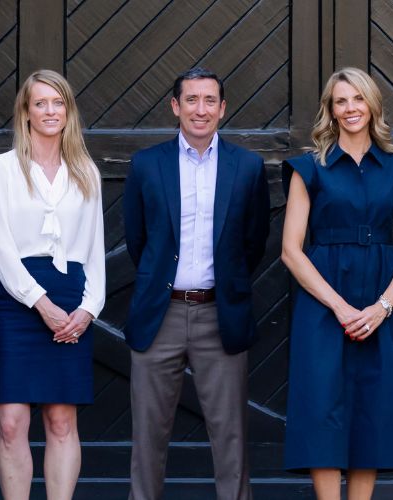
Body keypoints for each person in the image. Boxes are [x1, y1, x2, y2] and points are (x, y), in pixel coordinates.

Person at [119, 67, 271, 500]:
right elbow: (138, 239)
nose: (200, 109)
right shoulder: (148, 165)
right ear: (175, 106)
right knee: (148, 434)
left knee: (231, 438)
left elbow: (253, 240)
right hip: (159, 313)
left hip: (219, 313)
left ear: (222, 108)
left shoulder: (247, 166)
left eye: (209, 101)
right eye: (191, 100)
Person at [281, 67, 393, 500]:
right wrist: (340, 308)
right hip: (324, 305)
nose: (350, 109)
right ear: (330, 109)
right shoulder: (309, 168)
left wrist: (381, 308)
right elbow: (291, 250)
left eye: (358, 99)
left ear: (372, 105)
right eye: (341, 101)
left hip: (381, 304)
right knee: (322, 407)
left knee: (372, 412)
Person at [0, 68, 103, 500]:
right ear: (26, 112)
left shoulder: (85, 169)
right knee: (12, 421)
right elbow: (0, 248)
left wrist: (89, 309)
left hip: (71, 300)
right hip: (18, 300)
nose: (50, 111)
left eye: (58, 103)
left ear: (68, 111)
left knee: (61, 420)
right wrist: (40, 303)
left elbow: (93, 249)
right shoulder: (2, 168)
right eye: (40, 103)